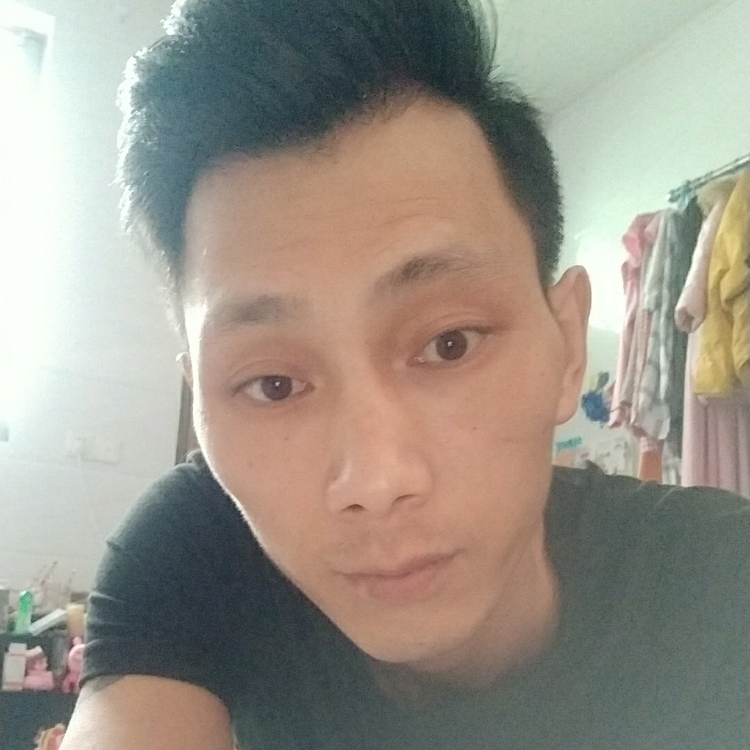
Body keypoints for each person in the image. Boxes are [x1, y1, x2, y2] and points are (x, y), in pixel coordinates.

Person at [61, 0, 750, 748]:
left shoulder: (721, 585)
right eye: (273, 385)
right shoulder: (195, 553)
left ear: (567, 343)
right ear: (200, 402)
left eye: (450, 343)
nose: (376, 480)